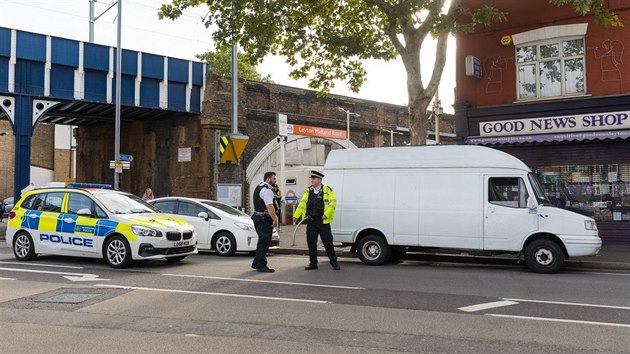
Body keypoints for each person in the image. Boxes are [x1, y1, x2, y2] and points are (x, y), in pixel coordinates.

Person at [293, 170, 340, 271]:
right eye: (311, 179)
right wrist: (296, 216)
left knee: (328, 242)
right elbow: (302, 204)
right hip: (311, 221)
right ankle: (313, 263)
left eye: (313, 179)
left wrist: (326, 214)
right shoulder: (308, 191)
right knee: (311, 242)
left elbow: (333, 204)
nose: (312, 181)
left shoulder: (327, 190)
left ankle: (334, 262)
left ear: (319, 179)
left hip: (323, 221)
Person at [251, 171, 279, 273]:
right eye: (274, 179)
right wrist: (274, 219)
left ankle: (256, 263)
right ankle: (261, 265)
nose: (275, 181)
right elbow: (269, 206)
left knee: (261, 241)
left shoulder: (259, 187)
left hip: (258, 217)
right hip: (264, 219)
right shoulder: (267, 190)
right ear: (268, 179)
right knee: (264, 242)